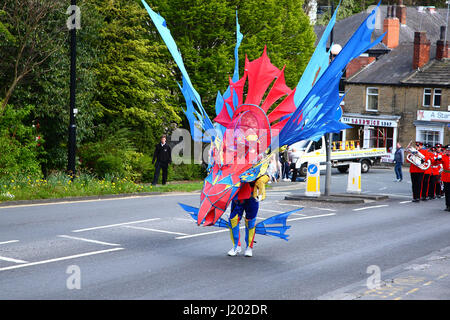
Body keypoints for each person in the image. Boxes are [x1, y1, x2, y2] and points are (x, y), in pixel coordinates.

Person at [227, 175, 269, 257]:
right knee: (233, 220)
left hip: (252, 195)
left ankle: (249, 247)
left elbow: (266, 174)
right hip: (238, 195)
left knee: (251, 221)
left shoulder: (258, 162)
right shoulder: (235, 162)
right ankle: (236, 246)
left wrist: (262, 180)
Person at [436, 144, 450, 211]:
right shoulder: (443, 156)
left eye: (449, 151)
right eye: (447, 150)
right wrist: (437, 159)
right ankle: (448, 205)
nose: (448, 152)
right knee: (447, 191)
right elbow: (436, 163)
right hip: (445, 176)